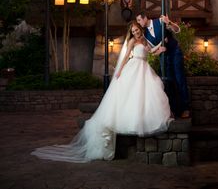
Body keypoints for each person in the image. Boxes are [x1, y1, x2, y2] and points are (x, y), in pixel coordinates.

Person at [31, 21, 172, 163]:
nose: (135, 32)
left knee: (146, 93)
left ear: (140, 29)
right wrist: (120, 71)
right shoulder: (131, 41)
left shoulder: (144, 39)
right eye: (133, 31)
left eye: (136, 30)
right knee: (131, 94)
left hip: (144, 68)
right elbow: (125, 57)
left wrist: (160, 47)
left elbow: (150, 51)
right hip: (134, 67)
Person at [136, 11, 190, 119]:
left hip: (174, 53)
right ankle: (173, 110)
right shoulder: (145, 34)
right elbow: (152, 51)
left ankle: (186, 109)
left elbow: (177, 30)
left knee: (180, 79)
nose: (138, 22)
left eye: (139, 20)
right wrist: (159, 50)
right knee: (168, 82)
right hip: (163, 58)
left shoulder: (160, 21)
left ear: (145, 17)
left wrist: (169, 22)